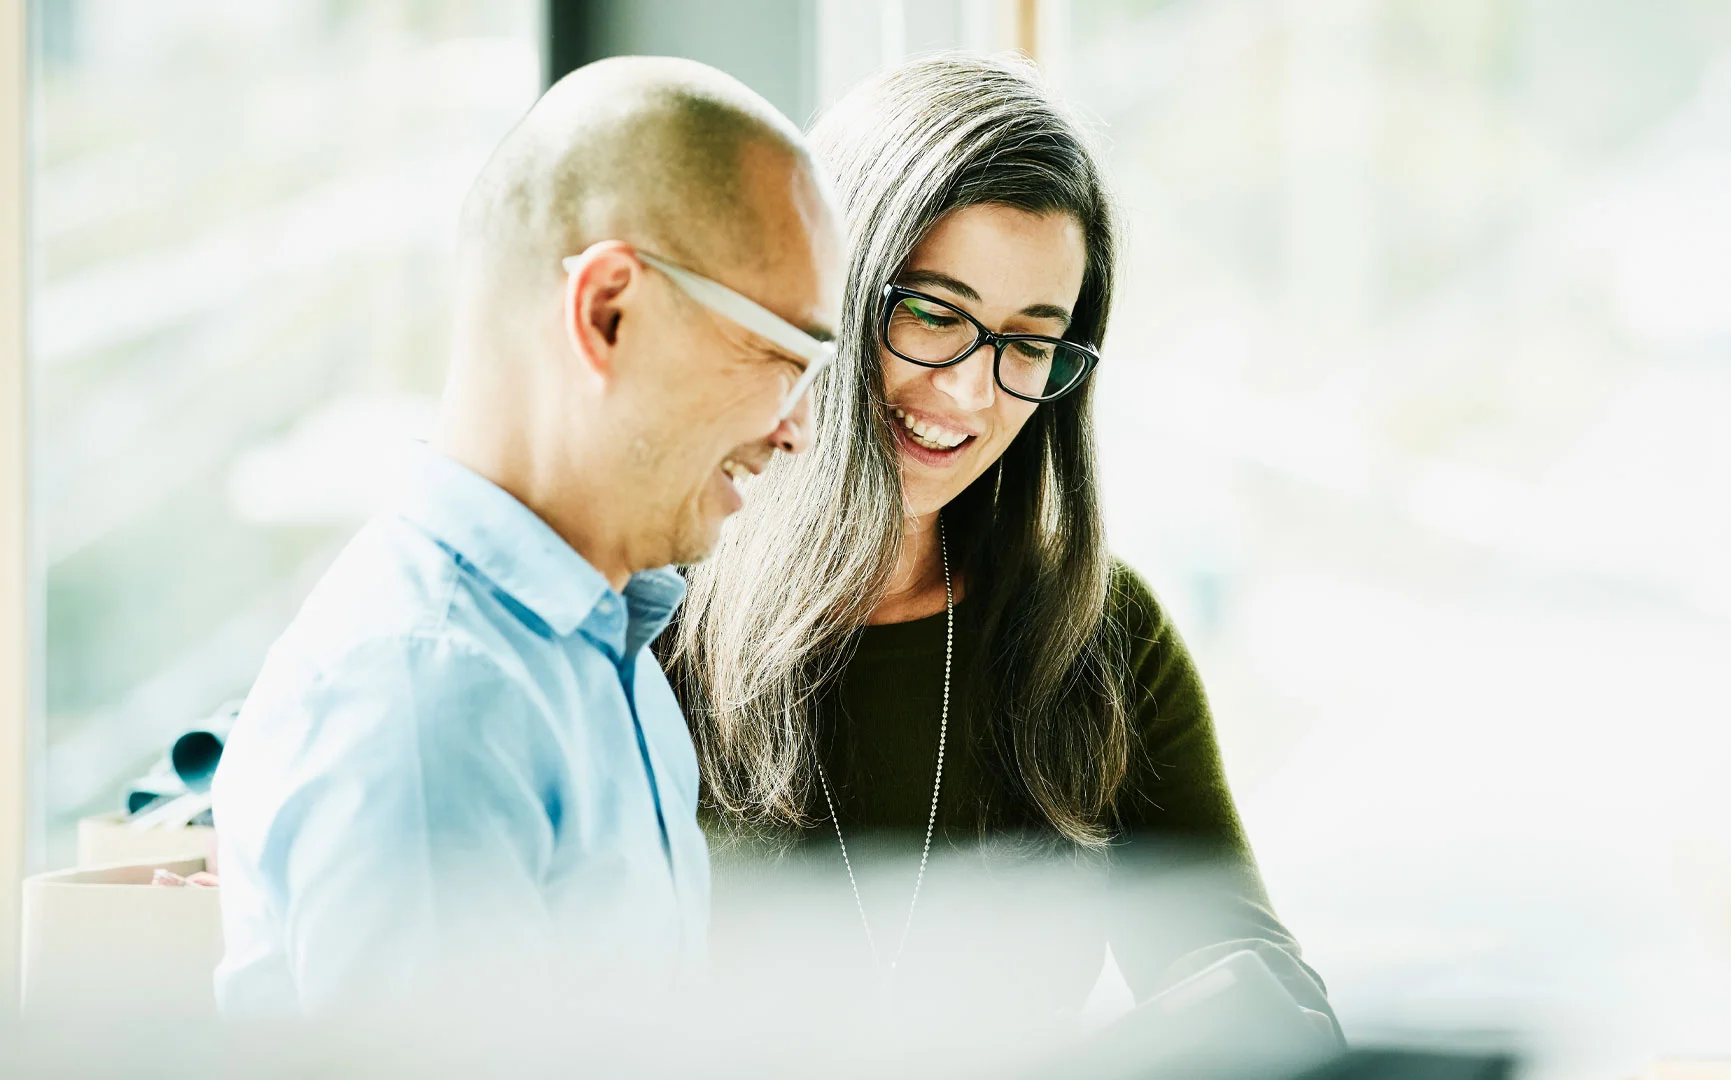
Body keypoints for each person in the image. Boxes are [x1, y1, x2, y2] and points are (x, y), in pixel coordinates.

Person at [668, 53, 1338, 1035]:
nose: (972, 395)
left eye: (1030, 342)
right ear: (826, 292)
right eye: (936, 314)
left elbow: (1277, 1007)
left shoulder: (1095, 633)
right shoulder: (645, 617)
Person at [212, 56, 842, 1014]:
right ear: (608, 312)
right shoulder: (433, 699)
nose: (798, 427)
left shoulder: (600, 656)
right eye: (780, 356)